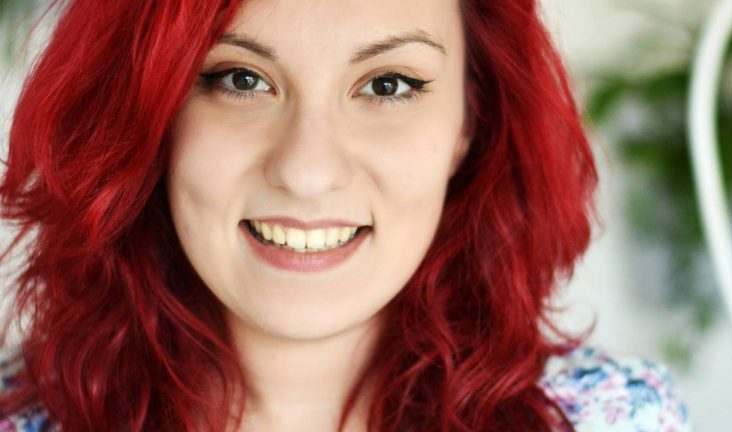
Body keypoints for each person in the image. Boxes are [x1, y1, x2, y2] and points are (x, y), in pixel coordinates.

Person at [0, 0, 693, 431]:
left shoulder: (616, 421)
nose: (307, 172)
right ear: (145, 114)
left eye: (387, 85)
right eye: (241, 79)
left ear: (470, 120)